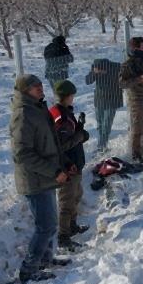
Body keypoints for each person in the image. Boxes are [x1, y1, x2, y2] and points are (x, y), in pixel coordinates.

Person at [10, 74, 69, 283]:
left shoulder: (37, 107)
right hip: (35, 179)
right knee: (45, 226)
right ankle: (29, 269)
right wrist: (52, 171)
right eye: (36, 87)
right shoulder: (23, 114)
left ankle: (45, 259)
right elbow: (22, 153)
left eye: (41, 85)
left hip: (44, 175)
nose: (41, 89)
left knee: (49, 223)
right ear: (25, 90)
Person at [49, 80, 90, 252]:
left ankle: (72, 226)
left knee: (77, 195)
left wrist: (79, 129)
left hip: (74, 163)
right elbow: (61, 145)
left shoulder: (64, 112)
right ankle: (63, 236)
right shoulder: (61, 117)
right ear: (68, 96)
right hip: (68, 165)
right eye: (72, 95)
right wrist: (80, 136)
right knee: (67, 201)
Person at [84, 58, 123, 153]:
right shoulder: (96, 68)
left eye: (101, 71)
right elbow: (88, 81)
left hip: (112, 100)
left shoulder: (116, 67)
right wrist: (94, 73)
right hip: (100, 100)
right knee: (100, 124)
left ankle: (101, 146)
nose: (100, 73)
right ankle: (103, 144)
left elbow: (126, 77)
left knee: (106, 125)